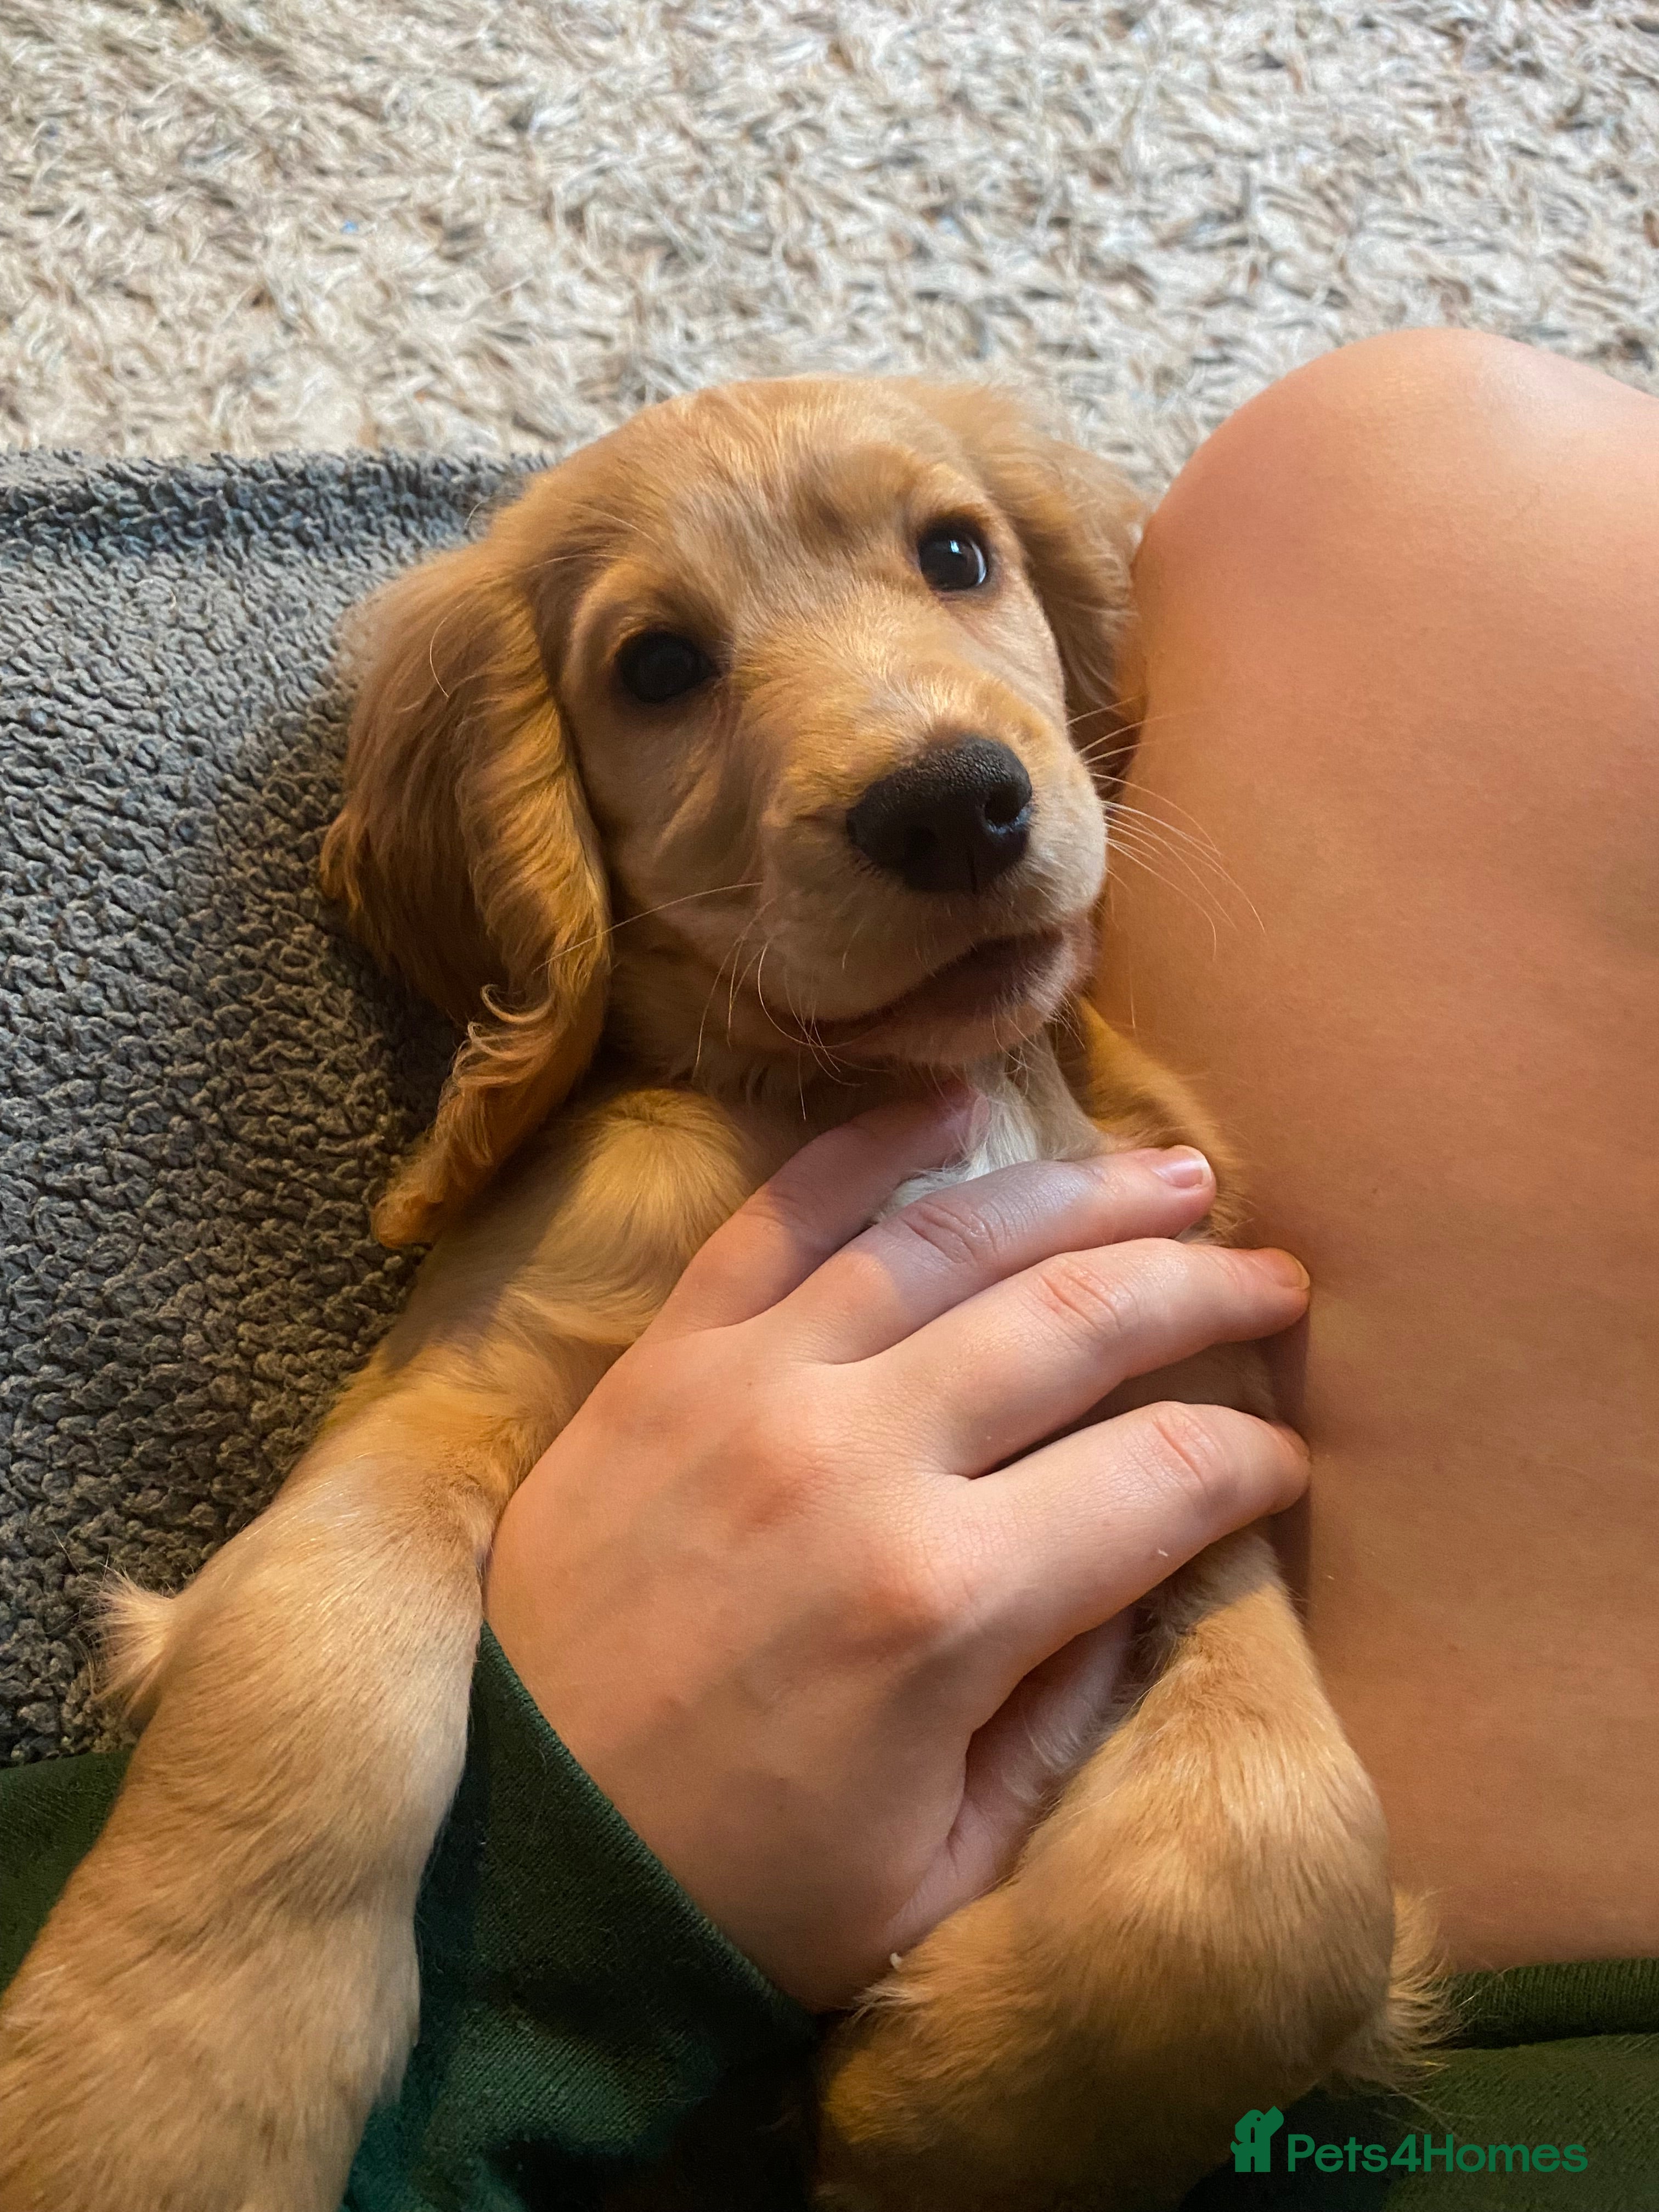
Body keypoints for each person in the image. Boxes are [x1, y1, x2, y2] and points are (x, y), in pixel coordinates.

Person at [2, 329, 1654, 2209]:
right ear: (538, 821)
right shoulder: (643, 1180)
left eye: (957, 558)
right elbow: (404, 1479)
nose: (920, 750)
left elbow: (1187, 1548)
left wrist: (1235, 1907)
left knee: (1270, 1878)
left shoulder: (1130, 1123)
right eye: (666, 667)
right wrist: (214, 1940)